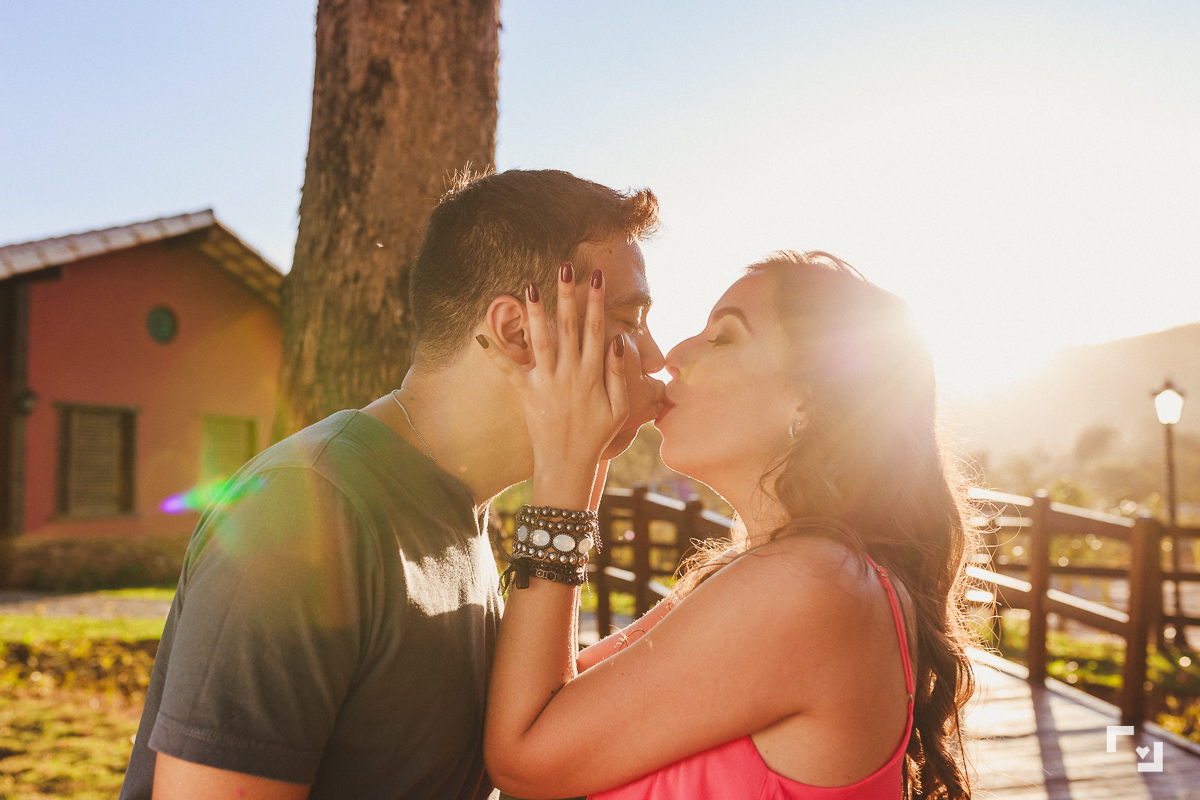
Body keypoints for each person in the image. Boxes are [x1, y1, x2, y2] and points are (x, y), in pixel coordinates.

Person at [119, 168, 668, 800]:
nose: (652, 356)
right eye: (629, 319)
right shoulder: (304, 509)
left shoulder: (461, 509)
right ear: (519, 332)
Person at [481, 251, 977, 799]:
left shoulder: (815, 585)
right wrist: (590, 446)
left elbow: (527, 761)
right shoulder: (782, 573)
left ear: (807, 399)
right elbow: (557, 701)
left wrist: (567, 460)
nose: (672, 356)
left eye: (722, 338)